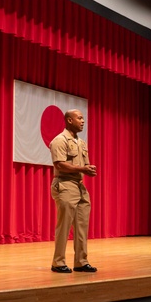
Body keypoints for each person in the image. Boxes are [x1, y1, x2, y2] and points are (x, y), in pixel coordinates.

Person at [49, 109, 97, 273]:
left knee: (82, 225)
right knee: (64, 226)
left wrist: (87, 168)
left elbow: (83, 165)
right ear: (69, 120)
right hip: (65, 184)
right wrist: (82, 168)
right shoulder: (59, 140)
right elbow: (59, 164)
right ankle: (58, 262)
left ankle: (81, 261)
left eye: (83, 118)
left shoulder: (81, 143)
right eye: (79, 118)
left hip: (79, 185)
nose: (83, 121)